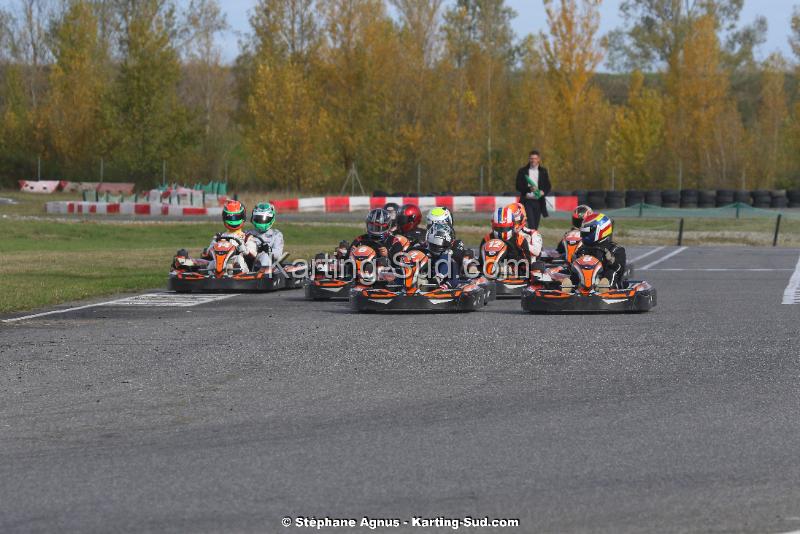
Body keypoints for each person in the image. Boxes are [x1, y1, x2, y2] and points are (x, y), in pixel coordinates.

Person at [579, 213, 627, 288]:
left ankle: (605, 290)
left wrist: (612, 261)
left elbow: (620, 270)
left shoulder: (615, 250)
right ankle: (567, 291)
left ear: (601, 229)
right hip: (584, 282)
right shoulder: (582, 249)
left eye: (587, 232)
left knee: (611, 273)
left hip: (606, 284)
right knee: (566, 279)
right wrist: (574, 261)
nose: (584, 235)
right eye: (583, 232)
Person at [515, 150, 551, 230]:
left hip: (539, 201)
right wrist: (529, 189)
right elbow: (518, 186)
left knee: (535, 225)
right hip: (527, 202)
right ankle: (531, 240)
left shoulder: (543, 171)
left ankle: (533, 240)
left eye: (535, 158)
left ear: (538, 159)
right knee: (531, 225)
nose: (533, 160)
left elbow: (548, 186)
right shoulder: (522, 171)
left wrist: (543, 192)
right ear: (529, 159)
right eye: (531, 158)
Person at [422, 223, 465, 288]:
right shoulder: (423, 249)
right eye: (434, 245)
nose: (437, 247)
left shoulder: (449, 253)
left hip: (443, 279)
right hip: (425, 274)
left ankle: (441, 280)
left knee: (448, 260)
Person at [245, 202, 284, 269]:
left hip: (268, 267)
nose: (261, 221)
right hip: (248, 263)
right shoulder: (247, 233)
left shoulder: (276, 234)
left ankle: (263, 276)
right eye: (259, 219)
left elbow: (278, 254)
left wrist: (268, 250)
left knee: (264, 256)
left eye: (264, 219)